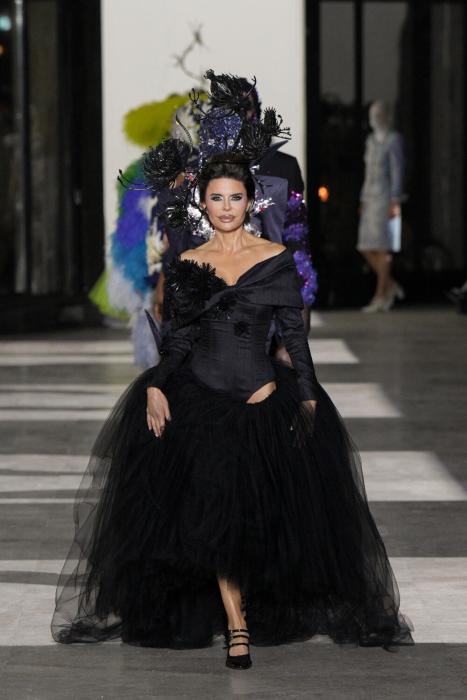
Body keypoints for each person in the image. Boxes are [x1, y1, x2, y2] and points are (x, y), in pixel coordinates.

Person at [51, 72, 413, 670]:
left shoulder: (276, 260)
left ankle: (247, 613)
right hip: (201, 401)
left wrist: (308, 398)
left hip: (263, 399)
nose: (225, 208)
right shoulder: (190, 261)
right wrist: (157, 386)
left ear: (252, 201)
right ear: (204, 202)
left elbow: (293, 336)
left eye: (235, 198)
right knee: (215, 516)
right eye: (216, 198)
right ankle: (236, 624)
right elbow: (180, 340)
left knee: (258, 521)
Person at [357, 100, 405, 312]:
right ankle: (390, 285)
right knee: (365, 246)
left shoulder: (393, 140)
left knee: (384, 246)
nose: (374, 118)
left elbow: (397, 171)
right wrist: (363, 199)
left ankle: (380, 295)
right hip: (370, 198)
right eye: (372, 114)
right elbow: (367, 173)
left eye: (378, 114)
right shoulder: (371, 141)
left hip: (386, 198)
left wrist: (395, 199)